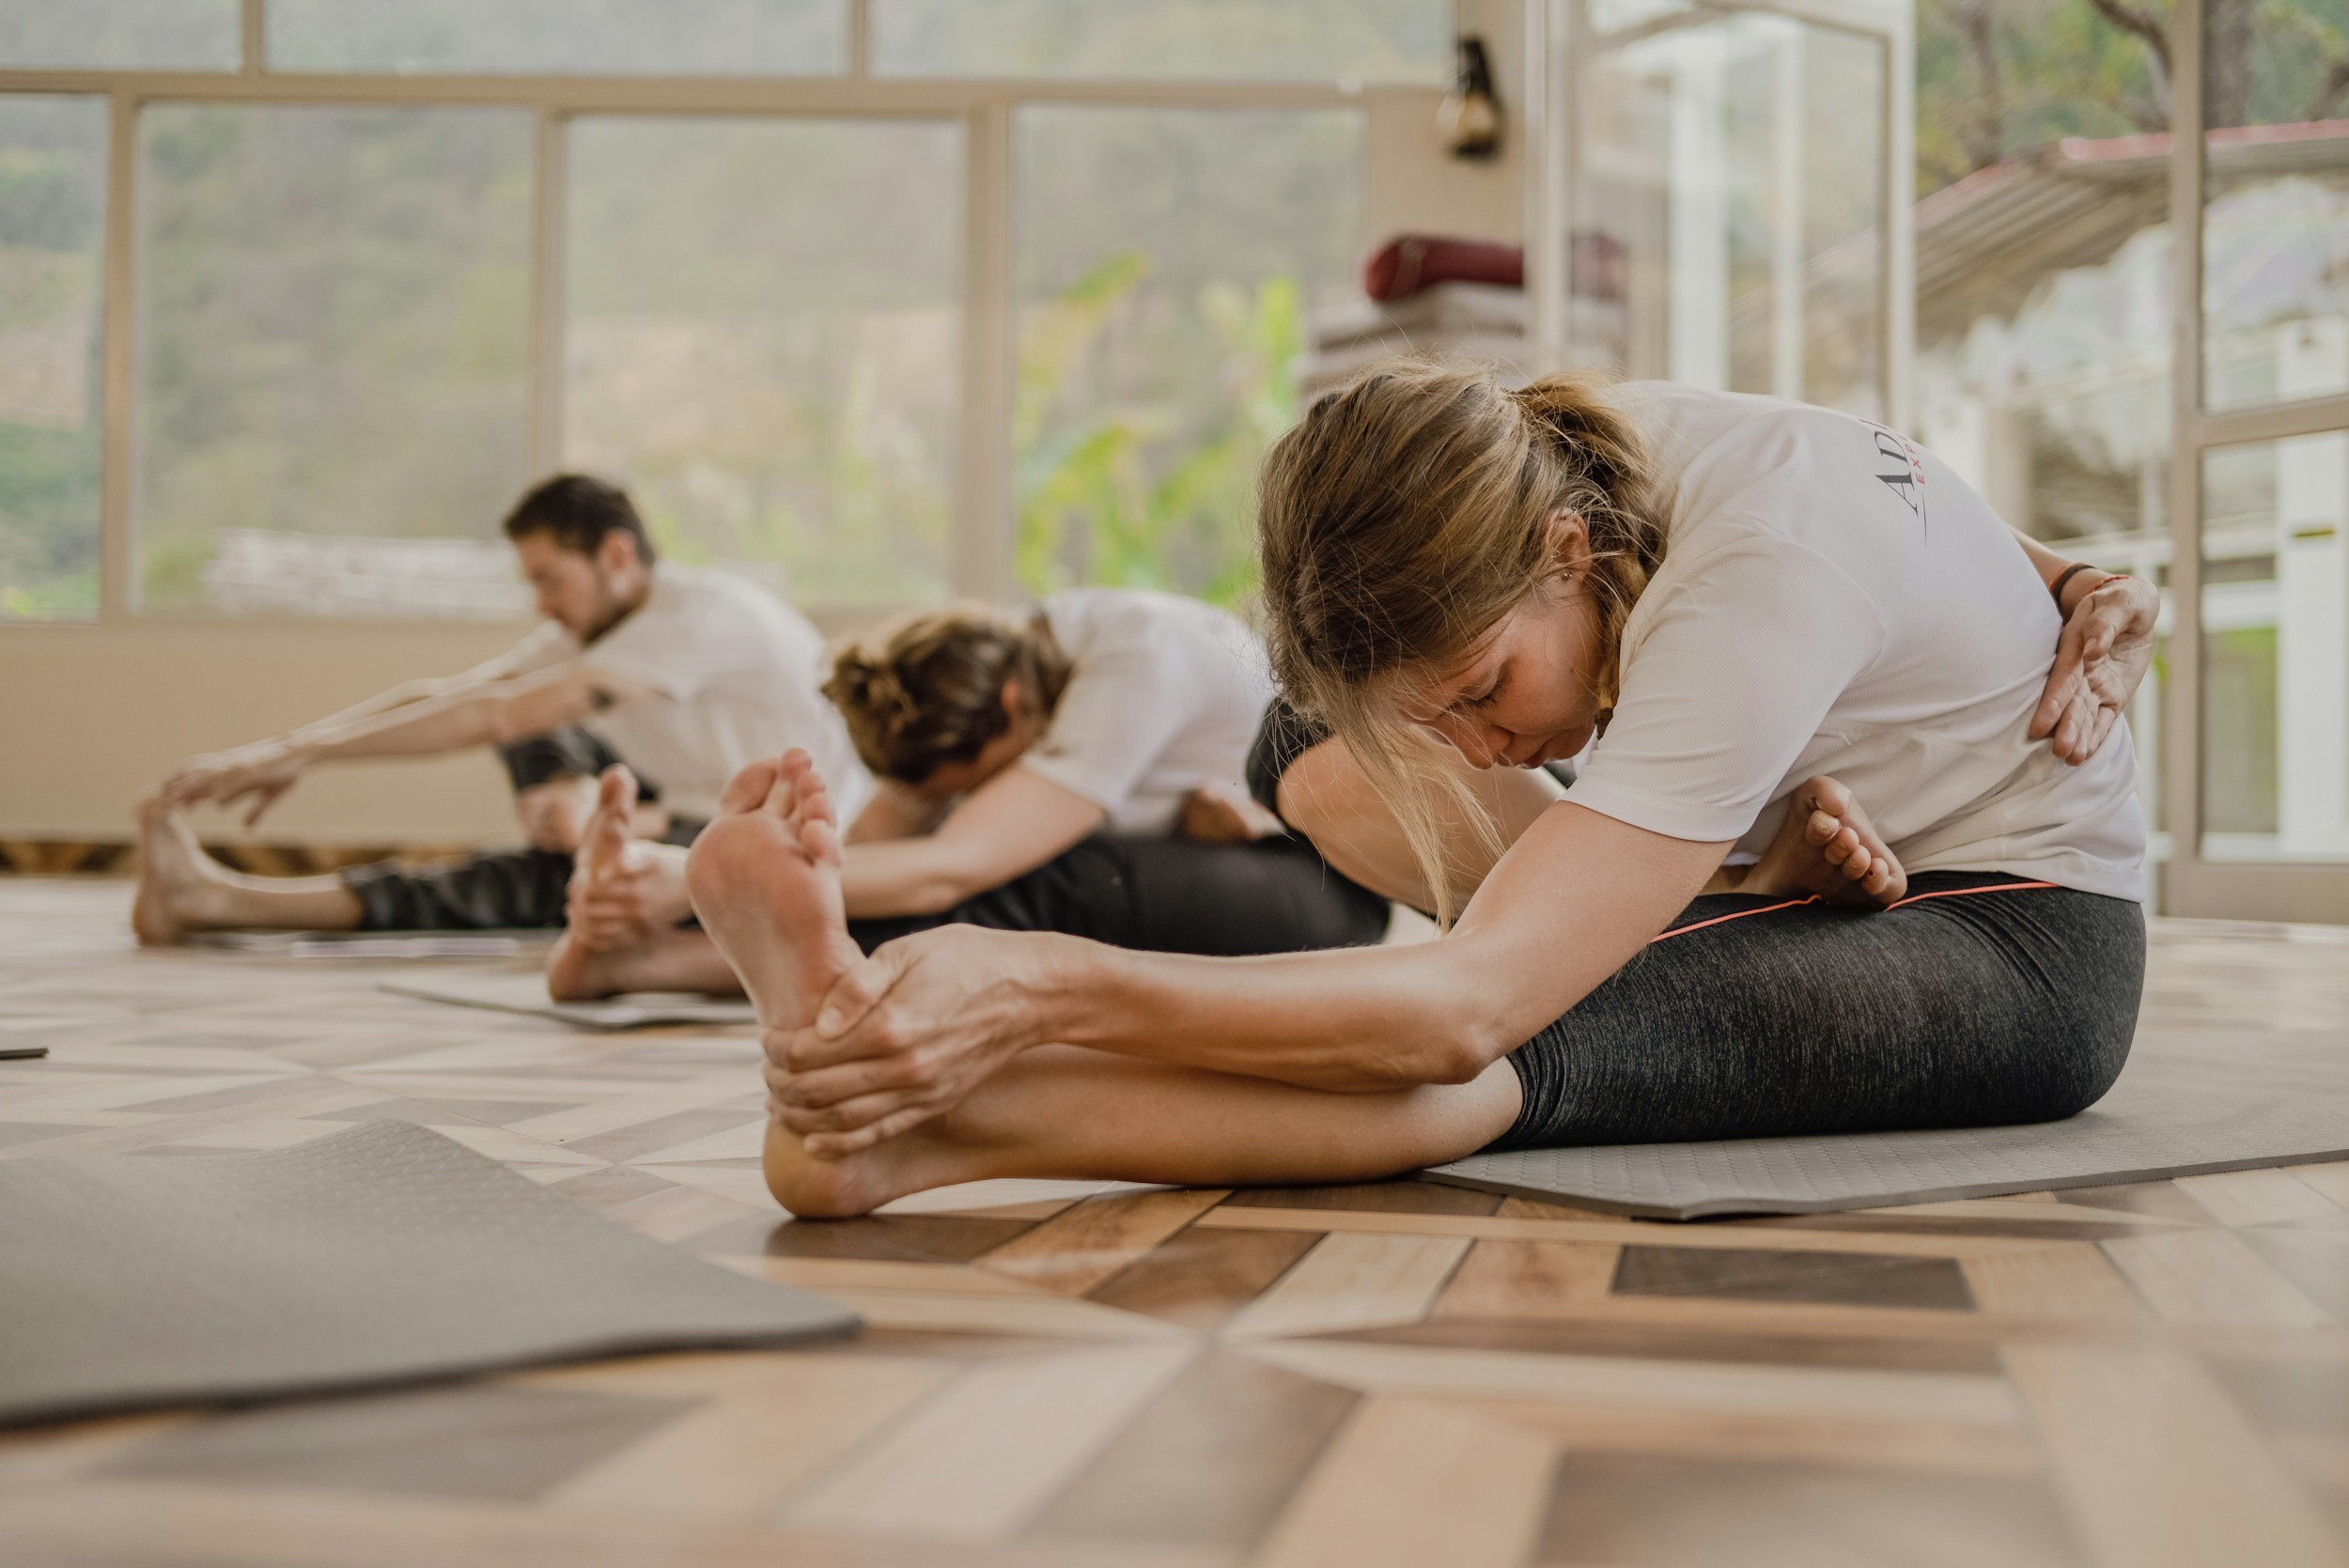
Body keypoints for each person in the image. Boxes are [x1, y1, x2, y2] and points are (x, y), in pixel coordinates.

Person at [677, 360, 2162, 1219]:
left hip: (2018, 941)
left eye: (1483, 691)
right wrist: (2069, 570)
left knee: (1516, 1030)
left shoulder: (1748, 572)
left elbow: (1467, 1002)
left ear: (1567, 559)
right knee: (1297, 749)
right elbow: (1929, 531)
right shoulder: (1575, 458)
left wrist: (1043, 982)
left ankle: (932, 1129)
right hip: (1805, 862)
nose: (1476, 747)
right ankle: (1686, 921)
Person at [543, 589, 1392, 1000]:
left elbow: (951, 866)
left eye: (968, 783)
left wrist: (684, 872)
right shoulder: (999, 666)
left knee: (1048, 876)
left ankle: (661, 963)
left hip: (1325, 892)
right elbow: (887, 845)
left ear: (1013, 715)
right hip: (1200, 865)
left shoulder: (1133, 666)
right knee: (1021, 868)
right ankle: (649, 953)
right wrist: (697, 891)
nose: (962, 797)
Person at [130, 474, 866, 944]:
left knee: (547, 818)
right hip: (675, 805)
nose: (540, 603)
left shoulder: (705, 615)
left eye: (550, 579)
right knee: (527, 716)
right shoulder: (593, 629)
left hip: (778, 835)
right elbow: (457, 698)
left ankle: (224, 901)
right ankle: (581, 832)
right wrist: (289, 749)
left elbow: (495, 717)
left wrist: (290, 756)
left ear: (615, 555)